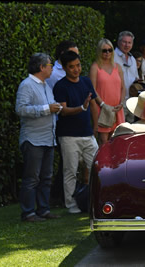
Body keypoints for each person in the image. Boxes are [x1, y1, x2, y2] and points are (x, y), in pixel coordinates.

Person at [15, 53, 62, 222]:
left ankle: (43, 209)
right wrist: (47, 109)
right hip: (33, 139)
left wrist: (56, 108)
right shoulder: (27, 85)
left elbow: (48, 107)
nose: (51, 68)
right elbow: (21, 109)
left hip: (48, 139)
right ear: (41, 67)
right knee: (32, 178)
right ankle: (28, 213)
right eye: (49, 65)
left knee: (46, 177)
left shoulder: (46, 86)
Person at [53, 51, 99, 214]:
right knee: (70, 171)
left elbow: (93, 105)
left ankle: (97, 201)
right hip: (68, 136)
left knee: (97, 168)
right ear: (65, 68)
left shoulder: (86, 82)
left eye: (78, 65)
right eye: (71, 67)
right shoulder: (60, 86)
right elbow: (63, 110)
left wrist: (95, 127)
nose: (76, 69)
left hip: (88, 134)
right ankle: (71, 205)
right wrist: (81, 108)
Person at [46, 40, 79, 207]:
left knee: (69, 159)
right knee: (66, 159)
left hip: (70, 119)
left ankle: (60, 194)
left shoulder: (72, 69)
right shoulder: (53, 73)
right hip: (59, 120)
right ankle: (56, 195)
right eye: (73, 53)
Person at [89, 38, 125, 146]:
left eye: (110, 50)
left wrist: (121, 103)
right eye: (104, 50)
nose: (107, 53)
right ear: (99, 51)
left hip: (117, 109)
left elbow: (123, 87)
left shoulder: (117, 67)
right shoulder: (95, 67)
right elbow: (92, 89)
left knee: (117, 140)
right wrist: (103, 104)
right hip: (103, 109)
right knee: (104, 142)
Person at [114, 31, 138, 123]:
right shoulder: (112, 56)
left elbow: (135, 77)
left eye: (129, 42)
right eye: (124, 42)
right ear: (119, 42)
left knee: (130, 129)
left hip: (131, 101)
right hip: (117, 100)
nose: (127, 45)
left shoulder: (132, 59)